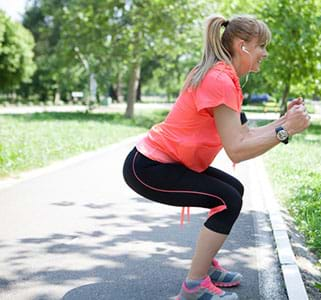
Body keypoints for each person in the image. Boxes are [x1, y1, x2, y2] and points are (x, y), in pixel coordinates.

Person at [122, 14, 310, 300]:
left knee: (233, 190)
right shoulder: (219, 80)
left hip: (162, 163)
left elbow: (244, 135)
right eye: (262, 45)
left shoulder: (225, 78)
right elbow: (237, 149)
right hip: (148, 167)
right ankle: (194, 287)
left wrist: (284, 121)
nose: (265, 53)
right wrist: (285, 130)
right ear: (242, 45)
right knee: (227, 200)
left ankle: (204, 268)